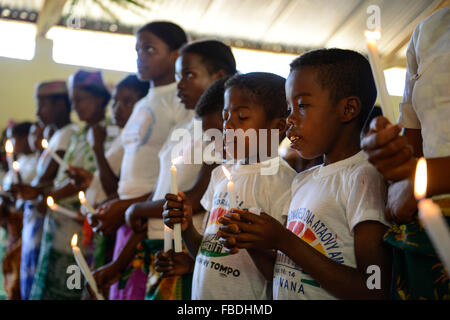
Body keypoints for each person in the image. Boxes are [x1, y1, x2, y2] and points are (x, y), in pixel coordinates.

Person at [218, 49, 392, 300]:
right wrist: (253, 244)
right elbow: (283, 275)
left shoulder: (364, 178)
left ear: (348, 109)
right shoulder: (303, 180)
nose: (290, 119)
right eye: (289, 108)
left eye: (302, 106)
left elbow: (374, 288)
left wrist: (285, 240)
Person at [92, 40, 237, 300]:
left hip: (187, 249)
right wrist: (119, 262)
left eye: (189, 75)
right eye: (179, 75)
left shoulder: (219, 129)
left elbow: (197, 200)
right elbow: (161, 192)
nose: (180, 84)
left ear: (219, 77)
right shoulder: (183, 125)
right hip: (159, 245)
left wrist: (133, 208)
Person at [163, 72, 297, 300]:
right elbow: (206, 252)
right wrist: (186, 228)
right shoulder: (220, 175)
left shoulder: (286, 184)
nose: (228, 126)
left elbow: (283, 278)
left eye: (242, 117)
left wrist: (250, 243)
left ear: (278, 127)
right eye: (225, 117)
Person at [89, 21, 190, 300]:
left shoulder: (181, 102)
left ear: (176, 55)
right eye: (137, 49)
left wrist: (127, 205)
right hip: (128, 219)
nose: (140, 57)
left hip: (153, 219)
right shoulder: (145, 101)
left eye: (149, 49)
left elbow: (177, 175)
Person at [361, 8, 450, 300]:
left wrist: (422, 177)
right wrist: (389, 152)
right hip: (429, 232)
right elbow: (412, 141)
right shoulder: (429, 30)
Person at [29, 70, 113, 300]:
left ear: (99, 99)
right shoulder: (78, 134)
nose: (75, 107)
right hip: (58, 228)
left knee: (71, 287)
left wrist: (53, 195)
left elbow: (94, 179)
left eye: (80, 100)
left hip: (81, 231)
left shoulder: (111, 134)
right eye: (73, 101)